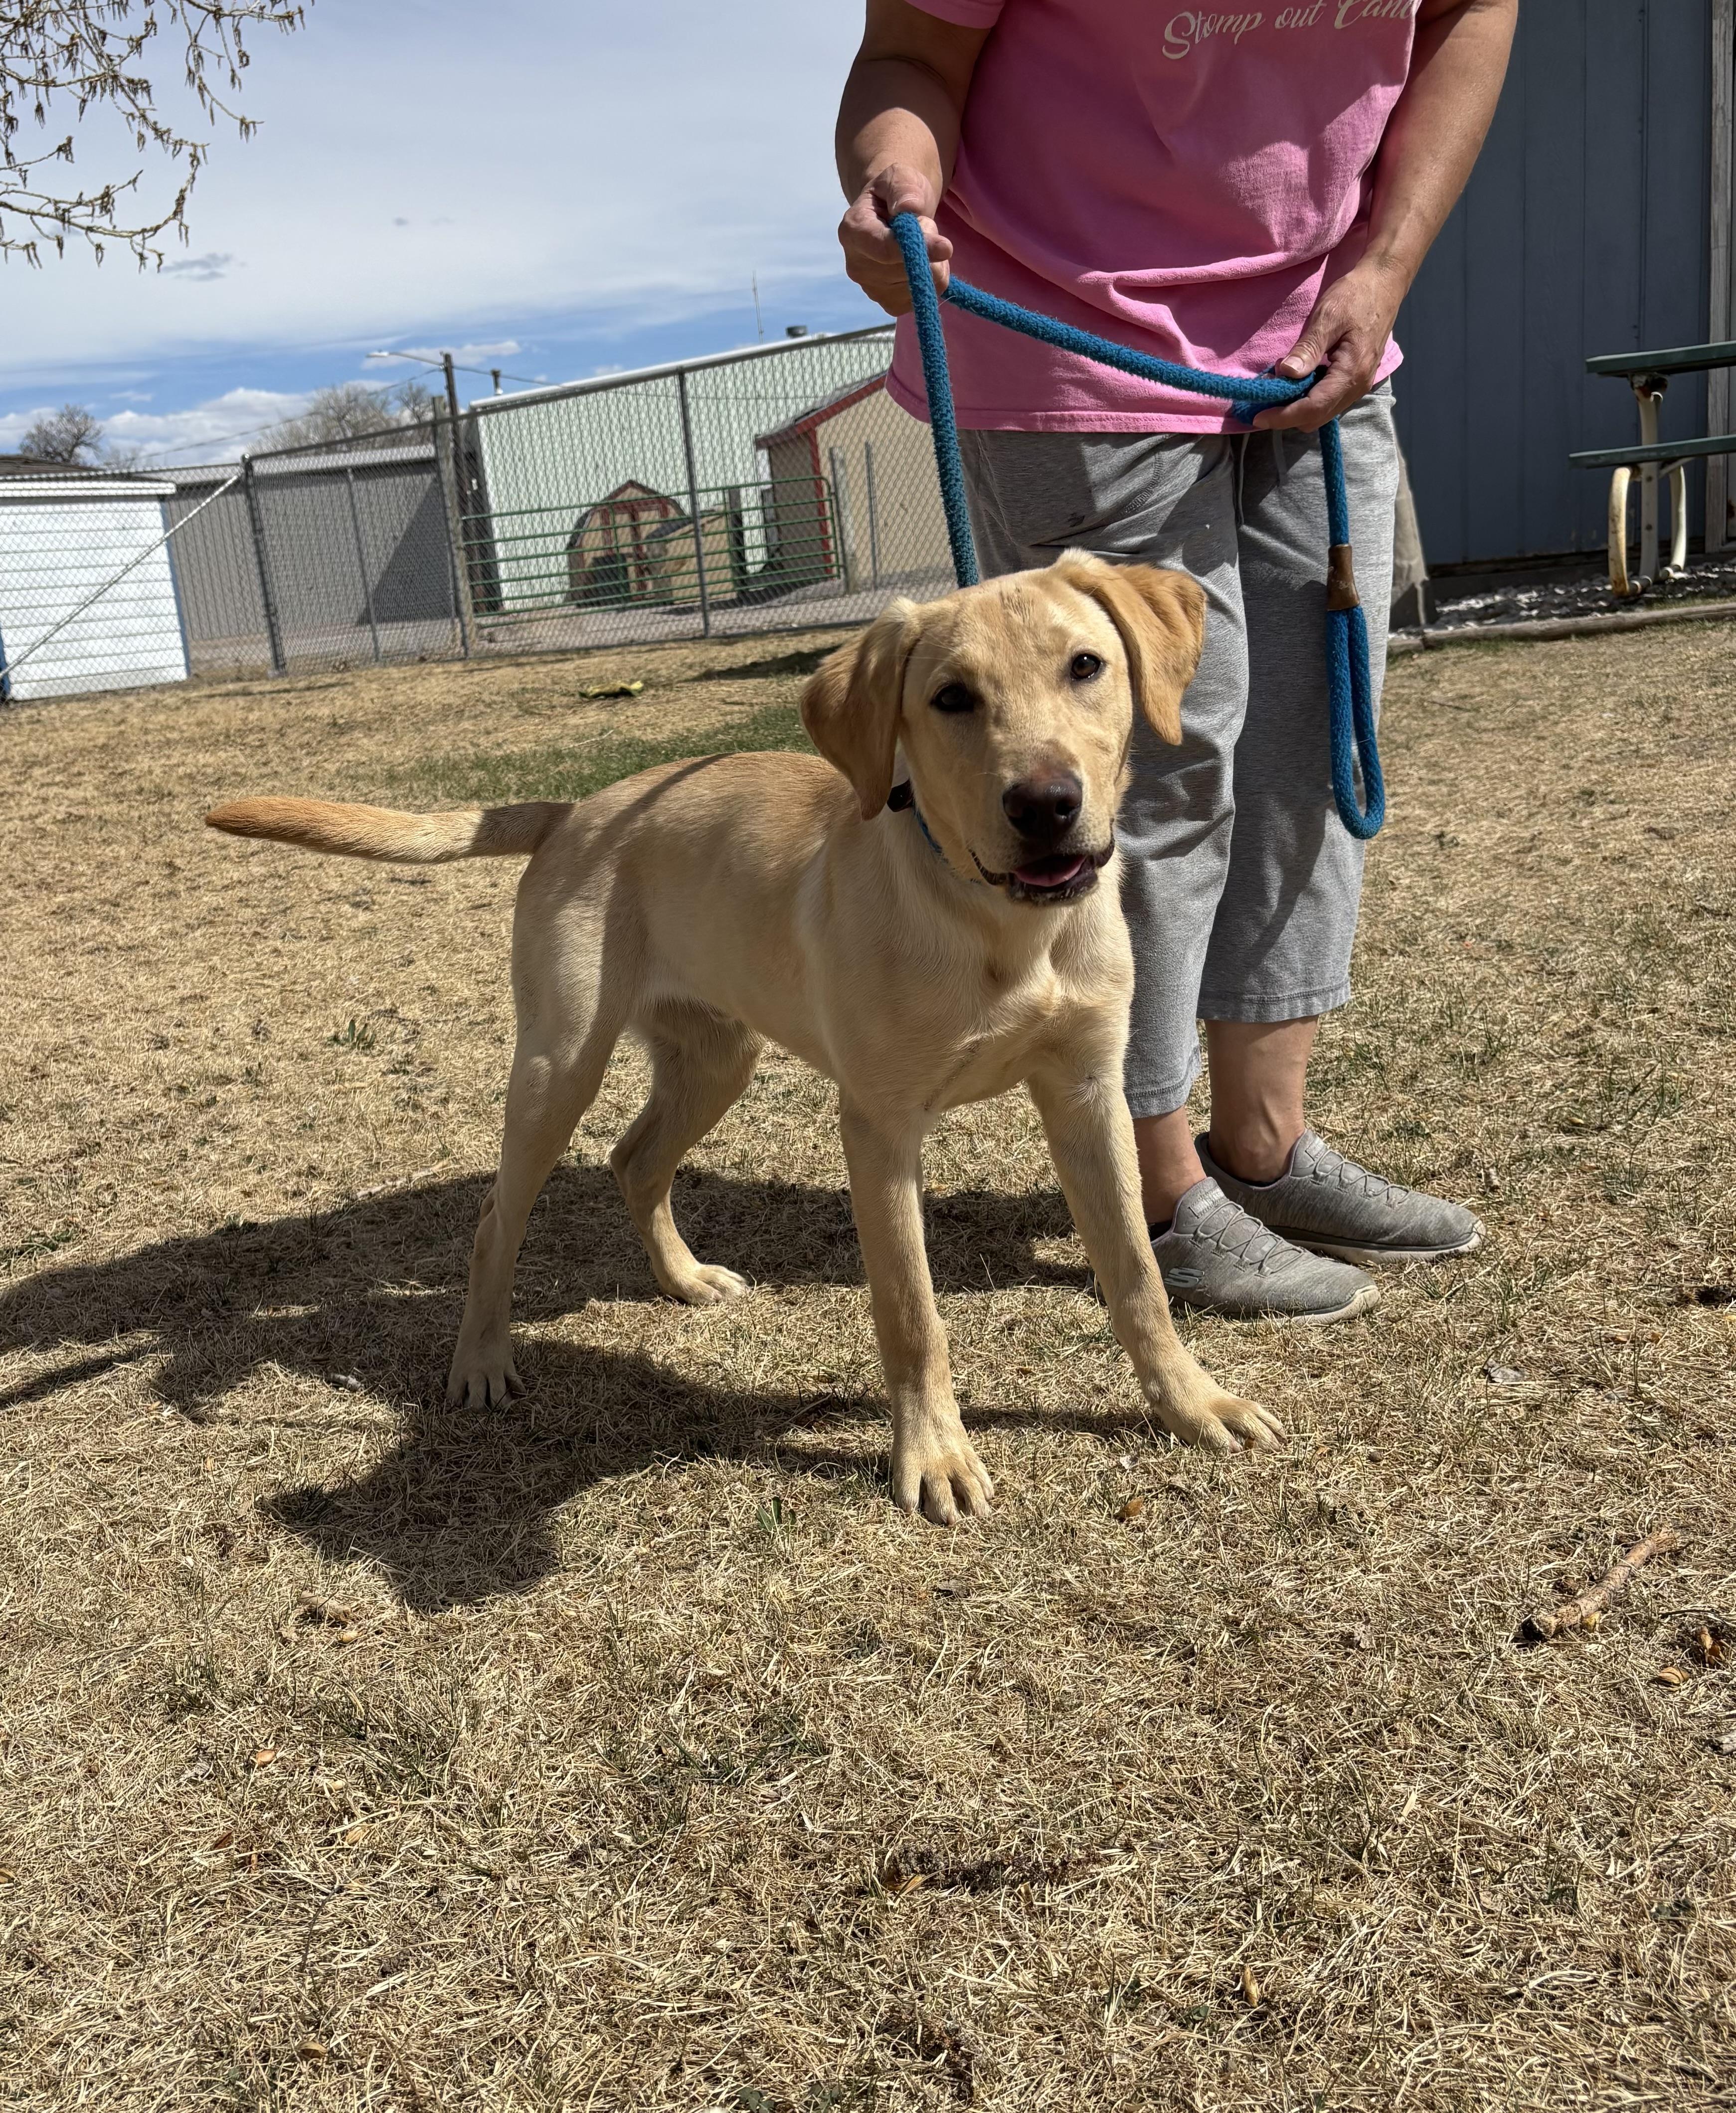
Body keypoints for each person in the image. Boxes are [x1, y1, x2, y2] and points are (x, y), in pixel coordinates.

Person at [834, 0, 1515, 1323]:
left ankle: (1262, 1140)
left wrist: (1384, 266)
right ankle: (1150, 1187)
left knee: (1314, 737)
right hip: (1063, 330)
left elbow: (1469, 17)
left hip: (1321, 331)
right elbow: (910, 51)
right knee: (1154, 764)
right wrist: (893, 173)